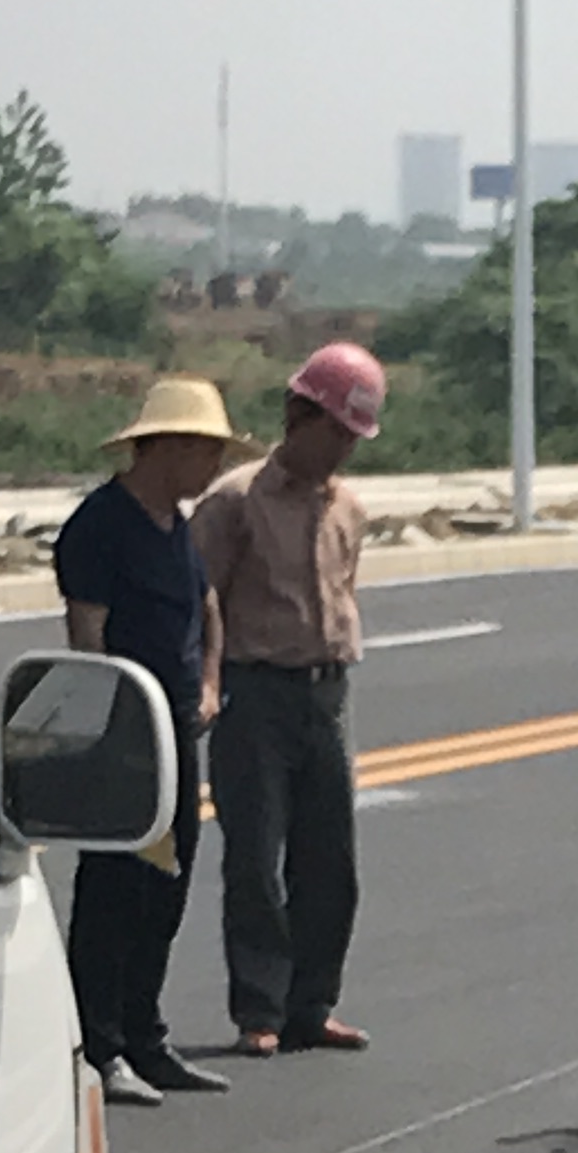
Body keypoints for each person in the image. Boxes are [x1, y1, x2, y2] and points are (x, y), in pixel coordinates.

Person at [190, 340, 386, 1056]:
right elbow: (200, 598)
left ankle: (313, 1003)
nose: (342, 451)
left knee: (329, 859)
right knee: (255, 856)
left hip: (325, 693)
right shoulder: (235, 502)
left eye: (352, 439)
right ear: (297, 415)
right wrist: (208, 682)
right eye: (334, 432)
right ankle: (260, 1010)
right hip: (255, 691)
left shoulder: (350, 511)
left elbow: (343, 591)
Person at [53, 374, 235, 1106]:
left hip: (176, 739)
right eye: (206, 452)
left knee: (168, 884)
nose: (214, 468)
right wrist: (114, 719)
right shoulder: (101, 526)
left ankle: (146, 1034)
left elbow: (208, 607)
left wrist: (212, 684)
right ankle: (99, 1045)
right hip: (124, 738)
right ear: (167, 447)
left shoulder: (178, 530)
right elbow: (87, 635)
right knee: (115, 891)